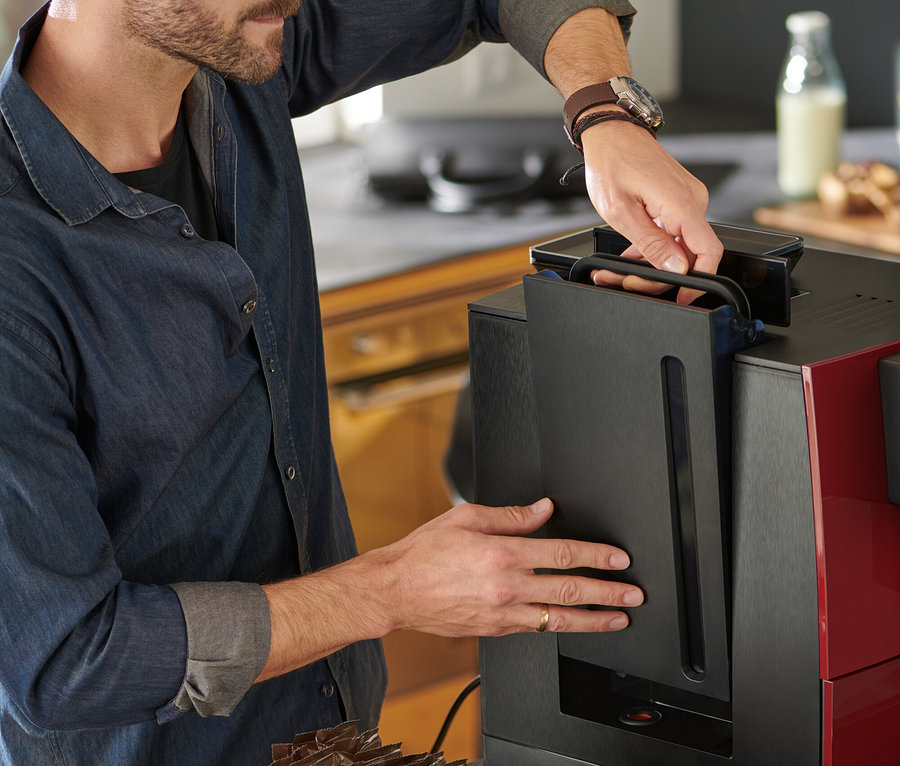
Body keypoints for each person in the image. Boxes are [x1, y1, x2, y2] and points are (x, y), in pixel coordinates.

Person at [0, 0, 723, 764]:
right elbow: (64, 662)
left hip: (335, 735)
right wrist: (391, 590)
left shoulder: (239, 51)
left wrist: (608, 116)